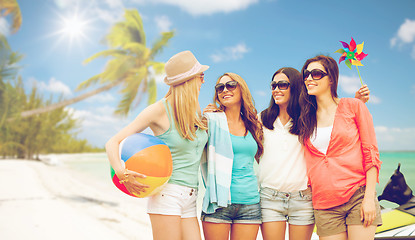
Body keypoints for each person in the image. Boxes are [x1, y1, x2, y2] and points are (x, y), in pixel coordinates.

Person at [105, 50, 209, 240]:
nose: (203, 81)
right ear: (189, 80)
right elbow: (113, 142)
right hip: (167, 194)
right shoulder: (159, 110)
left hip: (192, 195)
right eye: (201, 76)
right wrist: (121, 173)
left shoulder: (194, 109)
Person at [258, 67, 370, 240]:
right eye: (273, 85)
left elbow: (335, 121)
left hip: (303, 198)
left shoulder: (308, 119)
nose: (276, 89)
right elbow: (236, 126)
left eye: (282, 85)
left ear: (295, 86)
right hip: (269, 197)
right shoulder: (261, 119)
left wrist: (357, 103)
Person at [298, 55, 382, 240]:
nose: (309, 78)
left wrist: (369, 198)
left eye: (316, 73)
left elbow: (371, 153)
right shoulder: (305, 117)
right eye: (306, 74)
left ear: (332, 79)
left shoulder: (354, 106)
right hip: (324, 203)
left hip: (357, 196)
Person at [201, 72, 264, 240]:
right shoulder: (211, 121)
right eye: (220, 87)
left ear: (241, 89)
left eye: (231, 85)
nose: (225, 90)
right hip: (218, 203)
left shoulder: (254, 125)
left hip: (250, 203)